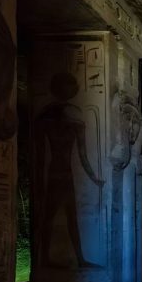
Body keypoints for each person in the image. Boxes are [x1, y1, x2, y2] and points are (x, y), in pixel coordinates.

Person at [35, 72, 104, 268]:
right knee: (63, 216)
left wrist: (38, 183)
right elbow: (82, 156)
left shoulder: (45, 116)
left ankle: (51, 259)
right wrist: (94, 178)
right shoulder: (74, 116)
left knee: (57, 216)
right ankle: (68, 259)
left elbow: (41, 158)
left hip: (55, 172)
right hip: (63, 173)